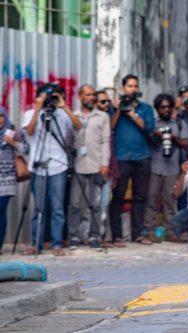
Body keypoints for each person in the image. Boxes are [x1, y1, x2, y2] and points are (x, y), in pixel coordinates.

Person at [22, 83, 82, 256]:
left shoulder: (62, 114)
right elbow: (30, 132)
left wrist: (65, 108)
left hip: (59, 164)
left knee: (57, 207)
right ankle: (37, 244)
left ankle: (57, 244)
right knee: (39, 208)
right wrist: (38, 108)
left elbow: (78, 127)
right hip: (38, 165)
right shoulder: (30, 114)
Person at [110, 74, 155, 245]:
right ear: (123, 88)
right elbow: (110, 127)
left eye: (135, 86)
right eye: (130, 86)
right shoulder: (116, 107)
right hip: (122, 157)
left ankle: (138, 233)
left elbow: (148, 127)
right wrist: (119, 110)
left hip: (141, 156)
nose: (133, 89)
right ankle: (117, 235)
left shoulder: (145, 108)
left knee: (140, 196)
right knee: (118, 196)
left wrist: (132, 113)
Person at [68, 85, 111, 250]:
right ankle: (73, 236)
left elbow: (105, 141)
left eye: (93, 95)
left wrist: (104, 163)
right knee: (74, 203)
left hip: (96, 164)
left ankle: (94, 236)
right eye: (87, 95)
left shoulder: (102, 116)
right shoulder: (73, 115)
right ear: (80, 96)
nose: (91, 98)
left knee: (95, 203)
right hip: (78, 165)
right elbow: (68, 139)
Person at [145, 93, 188, 242]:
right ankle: (149, 231)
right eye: (162, 107)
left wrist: (173, 138)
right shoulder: (152, 122)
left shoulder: (179, 123)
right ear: (157, 108)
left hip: (172, 167)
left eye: (168, 107)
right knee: (151, 199)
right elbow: (146, 138)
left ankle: (171, 232)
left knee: (170, 202)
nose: (165, 109)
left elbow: (186, 143)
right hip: (155, 165)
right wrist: (155, 136)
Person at [0, 106, 28, 254]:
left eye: (1, 116)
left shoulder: (13, 132)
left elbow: (26, 149)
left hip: (6, 177)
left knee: (1, 210)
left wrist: (13, 143)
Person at [95, 90, 120, 246]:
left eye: (108, 102)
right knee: (89, 204)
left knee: (104, 205)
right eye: (102, 102)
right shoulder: (91, 121)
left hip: (107, 169)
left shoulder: (107, 119)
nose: (106, 105)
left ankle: (101, 236)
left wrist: (113, 171)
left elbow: (110, 150)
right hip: (90, 169)